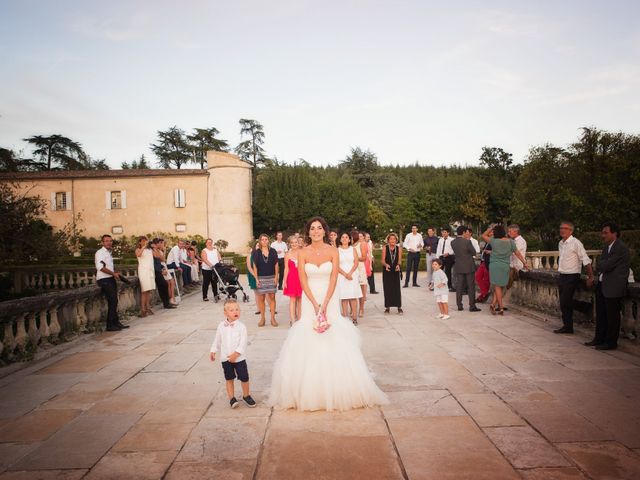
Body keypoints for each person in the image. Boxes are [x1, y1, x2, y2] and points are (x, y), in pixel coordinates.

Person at [268, 216, 388, 411]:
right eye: (312, 228)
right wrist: (315, 303)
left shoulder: (333, 251)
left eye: (319, 228)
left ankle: (340, 386)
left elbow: (333, 279)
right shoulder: (303, 253)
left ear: (325, 231)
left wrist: (325, 302)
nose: (316, 231)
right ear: (308, 232)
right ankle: (307, 389)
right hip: (309, 299)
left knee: (334, 332)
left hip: (329, 297)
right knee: (309, 331)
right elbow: (303, 280)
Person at [585, 222, 630, 350]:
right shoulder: (607, 247)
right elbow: (601, 264)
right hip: (603, 285)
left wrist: (602, 264)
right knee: (601, 315)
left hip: (614, 287)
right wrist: (602, 264)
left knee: (612, 317)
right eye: (602, 232)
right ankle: (599, 339)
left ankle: (610, 343)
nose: (602, 235)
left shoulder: (620, 247)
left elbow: (604, 265)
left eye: (605, 232)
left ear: (614, 233)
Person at [210, 299, 256, 409]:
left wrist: (236, 354)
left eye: (237, 309)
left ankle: (246, 395)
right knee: (229, 378)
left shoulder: (242, 327)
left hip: (239, 358)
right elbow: (217, 339)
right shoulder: (221, 326)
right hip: (226, 358)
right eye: (231, 310)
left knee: (244, 377)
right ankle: (232, 398)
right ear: (225, 313)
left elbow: (243, 343)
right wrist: (213, 350)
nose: (235, 311)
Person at [555, 222, 594, 334]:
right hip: (562, 275)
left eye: (565, 228)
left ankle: (584, 307)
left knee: (564, 301)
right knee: (563, 302)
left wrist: (590, 277)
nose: (562, 230)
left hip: (572, 276)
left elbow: (586, 260)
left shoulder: (576, 243)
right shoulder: (560, 243)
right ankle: (568, 326)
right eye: (561, 228)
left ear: (571, 231)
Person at [482, 225, 528, 315]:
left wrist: (491, 228)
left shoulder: (493, 241)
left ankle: (501, 307)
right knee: (500, 286)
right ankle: (493, 305)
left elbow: (483, 235)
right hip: (505, 265)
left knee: (498, 286)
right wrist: (524, 262)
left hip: (495, 265)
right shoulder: (510, 242)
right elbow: (517, 253)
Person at [95, 234, 130, 331]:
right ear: (102, 242)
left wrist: (114, 274)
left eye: (110, 241)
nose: (109, 242)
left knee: (114, 301)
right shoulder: (100, 252)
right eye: (106, 241)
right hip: (104, 279)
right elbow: (100, 268)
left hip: (110, 278)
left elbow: (108, 267)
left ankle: (116, 323)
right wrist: (113, 274)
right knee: (113, 301)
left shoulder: (108, 253)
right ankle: (110, 326)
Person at [251, 234, 279, 327]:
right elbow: (254, 266)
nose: (264, 241)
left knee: (272, 298)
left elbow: (276, 265)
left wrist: (276, 277)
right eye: (262, 239)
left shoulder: (273, 251)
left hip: (271, 277)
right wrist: (256, 279)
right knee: (261, 299)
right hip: (261, 278)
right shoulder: (256, 252)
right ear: (259, 241)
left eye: (266, 239)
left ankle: (273, 318)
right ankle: (262, 318)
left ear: (268, 241)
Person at [451, 226, 481, 312]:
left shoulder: (453, 242)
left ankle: (459, 305)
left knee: (459, 286)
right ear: (464, 232)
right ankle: (472, 306)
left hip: (459, 266)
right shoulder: (467, 242)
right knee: (471, 287)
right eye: (466, 232)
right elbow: (474, 252)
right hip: (468, 266)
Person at [337, 232, 362, 324]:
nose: (344, 239)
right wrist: (345, 274)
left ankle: (354, 318)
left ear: (349, 239)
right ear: (340, 239)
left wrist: (350, 273)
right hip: (342, 276)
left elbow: (356, 262)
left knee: (353, 296)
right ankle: (344, 317)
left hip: (352, 275)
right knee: (344, 297)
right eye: (342, 237)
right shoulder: (337, 250)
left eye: (346, 237)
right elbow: (336, 265)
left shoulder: (353, 250)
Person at [283, 235, 303, 326]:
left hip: (301, 278)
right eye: (292, 243)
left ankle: (300, 319)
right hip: (291, 278)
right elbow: (286, 269)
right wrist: (284, 281)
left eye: (296, 242)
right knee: (292, 299)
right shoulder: (287, 255)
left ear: (299, 243)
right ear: (290, 244)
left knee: (300, 299)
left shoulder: (303, 253)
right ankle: (293, 320)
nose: (294, 244)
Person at [151, 238, 176, 309]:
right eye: (159, 243)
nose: (161, 244)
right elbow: (159, 258)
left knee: (164, 285)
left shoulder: (156, 250)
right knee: (163, 286)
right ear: (156, 244)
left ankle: (167, 302)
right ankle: (166, 303)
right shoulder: (153, 250)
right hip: (156, 271)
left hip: (160, 269)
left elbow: (160, 260)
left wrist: (163, 268)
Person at [381, 232, 403, 314]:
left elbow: (400, 260)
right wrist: (386, 265)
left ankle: (399, 307)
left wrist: (398, 265)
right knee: (387, 288)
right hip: (387, 270)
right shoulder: (385, 248)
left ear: (396, 240)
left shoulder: (399, 248)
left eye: (394, 239)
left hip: (396, 270)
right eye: (391, 239)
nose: (393, 240)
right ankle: (387, 307)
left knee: (396, 288)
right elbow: (382, 261)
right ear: (388, 240)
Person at [135, 236, 155, 317]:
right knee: (144, 290)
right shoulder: (138, 249)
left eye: (145, 241)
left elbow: (157, 256)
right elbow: (139, 255)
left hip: (150, 271)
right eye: (143, 241)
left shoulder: (149, 250)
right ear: (140, 242)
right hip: (143, 271)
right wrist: (143, 246)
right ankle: (143, 309)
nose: (145, 242)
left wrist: (155, 248)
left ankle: (148, 307)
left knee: (149, 290)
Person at [506, 224, 527, 301]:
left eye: (510, 232)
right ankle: (502, 303)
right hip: (511, 265)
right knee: (506, 285)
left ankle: (503, 304)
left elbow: (515, 252)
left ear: (516, 231)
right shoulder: (512, 241)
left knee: (508, 285)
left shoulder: (521, 241)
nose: (508, 233)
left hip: (516, 266)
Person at [352, 231, 368, 318]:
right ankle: (352, 309)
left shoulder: (362, 244)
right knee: (352, 289)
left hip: (360, 268)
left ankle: (361, 309)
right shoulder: (350, 246)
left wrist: (354, 258)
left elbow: (364, 258)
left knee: (362, 290)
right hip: (351, 268)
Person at [201, 238, 221, 302]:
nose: (209, 243)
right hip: (207, 269)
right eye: (208, 242)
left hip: (215, 269)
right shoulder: (204, 250)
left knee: (214, 282)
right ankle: (205, 296)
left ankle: (216, 295)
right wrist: (211, 265)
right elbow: (205, 259)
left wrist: (219, 263)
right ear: (206, 243)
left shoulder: (215, 250)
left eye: (210, 242)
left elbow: (219, 257)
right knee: (206, 283)